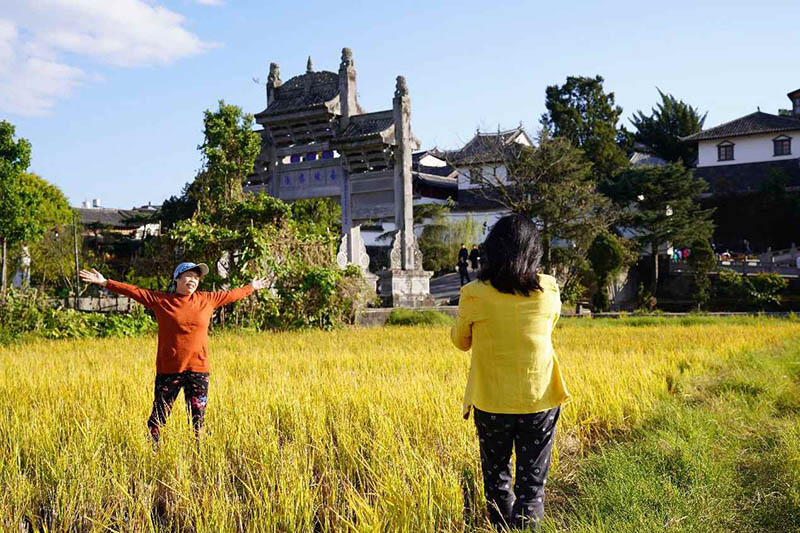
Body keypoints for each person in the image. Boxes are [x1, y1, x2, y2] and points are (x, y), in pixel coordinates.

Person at [451, 214, 568, 529]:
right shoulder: (549, 289)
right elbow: (550, 326)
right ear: (533, 251)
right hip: (539, 400)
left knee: (497, 481)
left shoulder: (474, 293)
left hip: (492, 403)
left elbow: (461, 342)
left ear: (492, 249)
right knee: (532, 487)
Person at [79, 262, 268, 444]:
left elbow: (232, 294)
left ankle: (199, 451)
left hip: (198, 369)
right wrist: (105, 282)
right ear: (177, 279)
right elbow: (134, 291)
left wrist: (251, 287)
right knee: (159, 416)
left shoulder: (207, 299)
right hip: (169, 369)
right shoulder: (161, 301)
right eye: (188, 276)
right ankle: (153, 449)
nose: (193, 280)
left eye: (196, 277)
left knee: (198, 418)